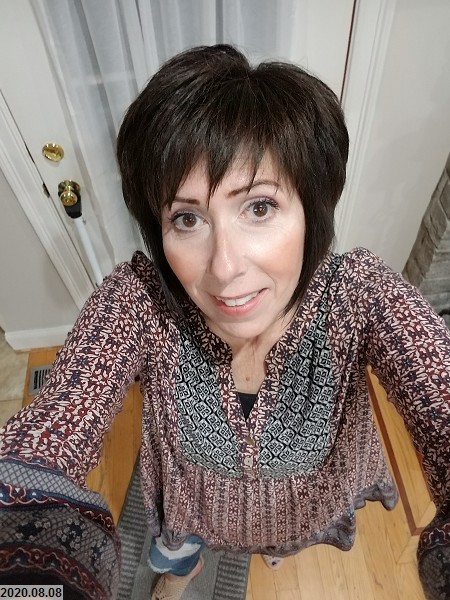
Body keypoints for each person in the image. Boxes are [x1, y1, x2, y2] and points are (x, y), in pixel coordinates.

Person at [0, 44, 449, 600]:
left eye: (259, 207)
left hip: (301, 512)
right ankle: (181, 573)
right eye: (188, 219)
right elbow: (56, 422)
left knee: (285, 542)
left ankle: (276, 546)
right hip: (193, 512)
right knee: (177, 552)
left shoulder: (358, 296)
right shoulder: (142, 302)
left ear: (311, 212)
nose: (224, 268)